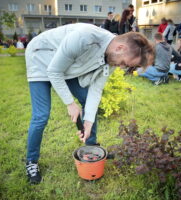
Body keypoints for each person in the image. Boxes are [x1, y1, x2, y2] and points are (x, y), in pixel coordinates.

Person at [25, 23, 154, 184]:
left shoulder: (112, 58)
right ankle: (31, 161)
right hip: (40, 57)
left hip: (66, 66)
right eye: (125, 64)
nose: (122, 67)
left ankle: (91, 146)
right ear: (120, 48)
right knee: (41, 115)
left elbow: (95, 90)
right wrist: (70, 104)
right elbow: (53, 71)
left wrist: (88, 122)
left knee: (87, 100)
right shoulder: (85, 37)